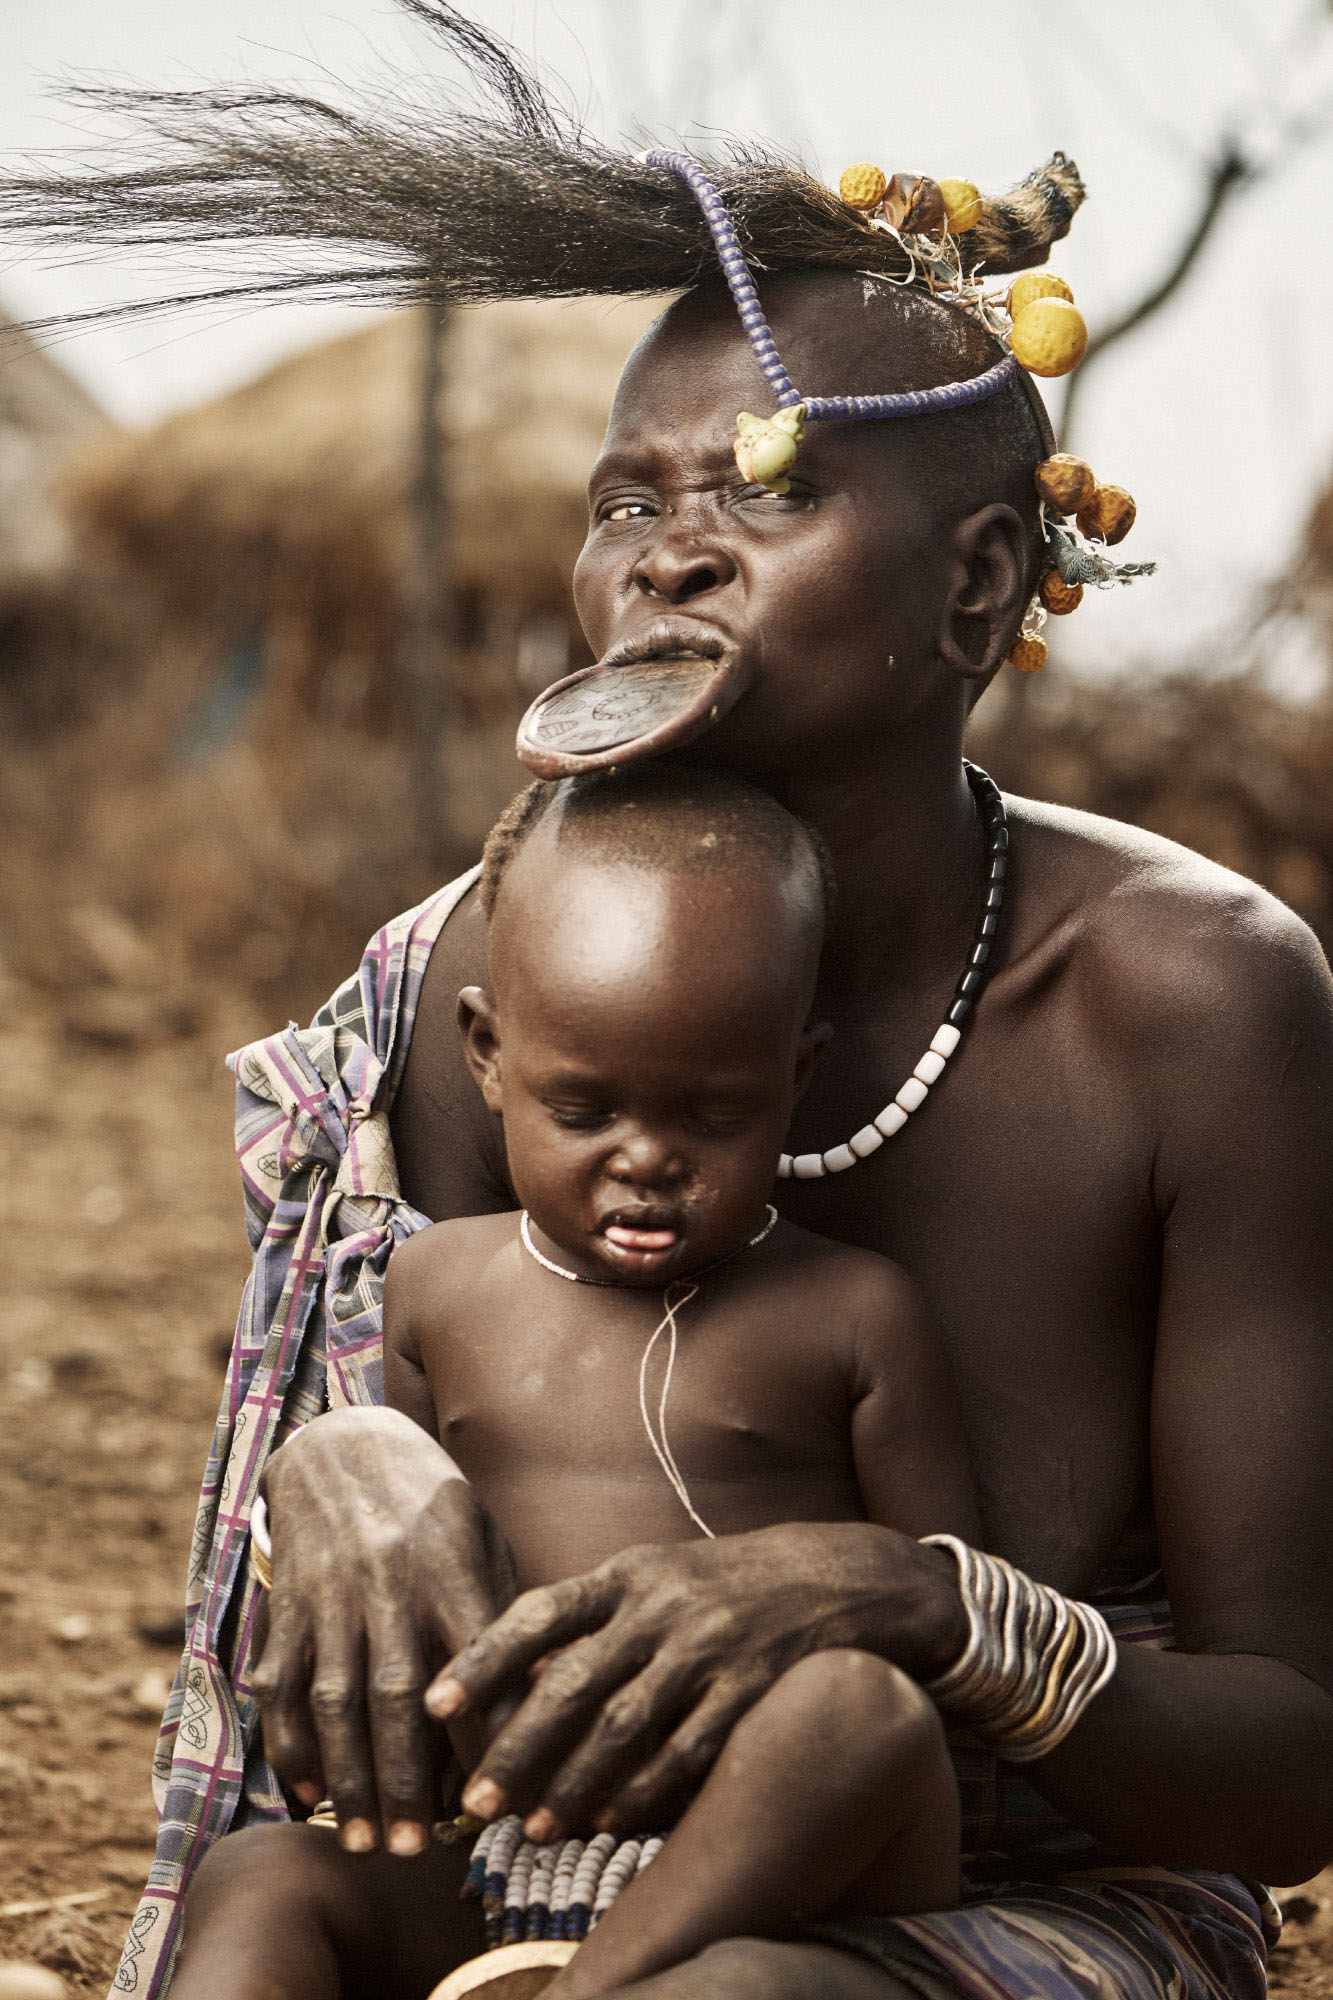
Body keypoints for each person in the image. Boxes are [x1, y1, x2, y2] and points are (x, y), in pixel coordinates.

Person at [5, 11, 1327, 2000]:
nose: (664, 554)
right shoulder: (461, 978)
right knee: (264, 1928)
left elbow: (1287, 1767)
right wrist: (339, 1463)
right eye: (626, 497)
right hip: (536, 1870)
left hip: (1013, 1889)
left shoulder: (1183, 1004)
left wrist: (925, 1607)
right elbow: (354, 1673)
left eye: (760, 489)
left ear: (977, 591)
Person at [172, 764, 1003, 2000]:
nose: (647, 1162)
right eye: (584, 1107)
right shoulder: (436, 1287)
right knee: (261, 1878)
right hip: (504, 1847)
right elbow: (396, 1577)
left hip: (776, 1872)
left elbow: (953, 1624)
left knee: (856, 1710)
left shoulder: (852, 1311)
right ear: (487, 1054)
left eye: (713, 1115)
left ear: (797, 1073)